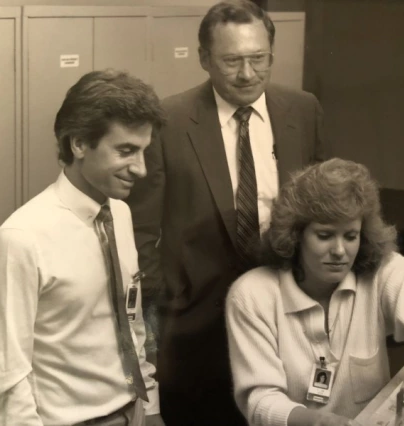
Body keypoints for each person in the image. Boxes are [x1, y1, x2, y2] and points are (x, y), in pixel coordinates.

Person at [125, 1, 326, 425]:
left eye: (258, 59)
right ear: (204, 59)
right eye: (232, 61)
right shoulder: (169, 121)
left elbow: (321, 212)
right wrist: (161, 315)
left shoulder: (304, 110)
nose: (247, 74)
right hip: (196, 325)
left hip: (285, 313)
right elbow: (139, 235)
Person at [225, 158, 404, 426]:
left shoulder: (382, 272)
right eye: (324, 236)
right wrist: (317, 422)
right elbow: (260, 401)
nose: (340, 251)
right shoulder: (251, 295)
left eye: (350, 236)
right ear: (295, 236)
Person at [0, 69, 166, 426]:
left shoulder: (120, 214)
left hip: (134, 412)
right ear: (79, 144)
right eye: (126, 151)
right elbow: (8, 378)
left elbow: (131, 323)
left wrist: (151, 406)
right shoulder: (20, 239)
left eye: (144, 151)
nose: (140, 169)